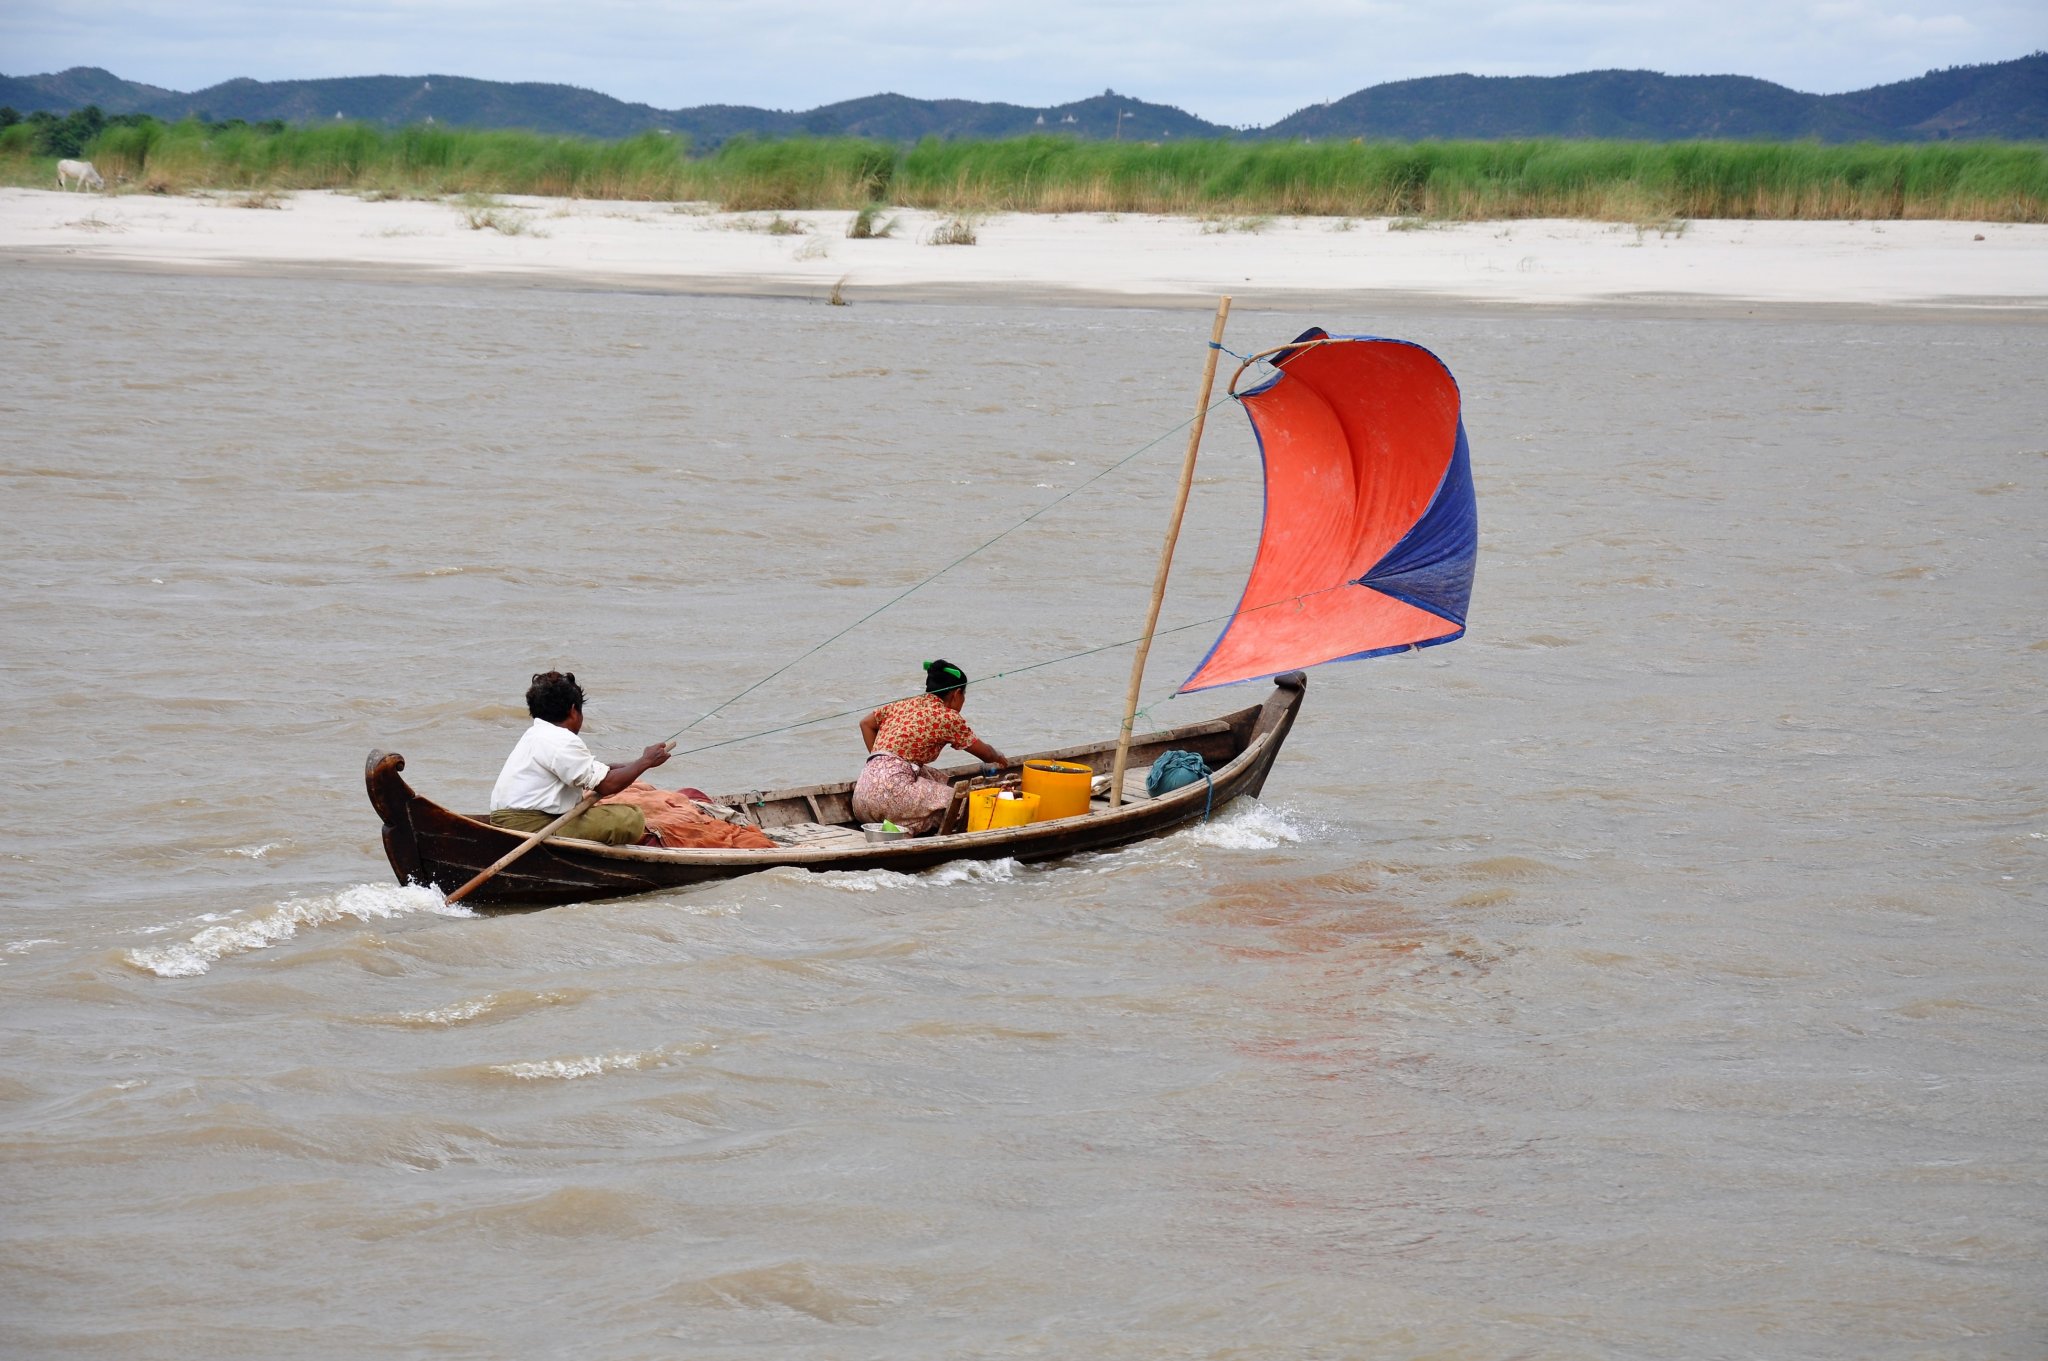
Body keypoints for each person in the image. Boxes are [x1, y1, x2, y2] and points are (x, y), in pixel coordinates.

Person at [489, 671, 672, 846]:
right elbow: (606, 786)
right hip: (531, 826)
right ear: (574, 711)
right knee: (630, 817)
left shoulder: (535, 734)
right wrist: (645, 762)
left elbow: (588, 771)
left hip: (503, 819)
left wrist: (636, 763)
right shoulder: (562, 740)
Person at [851, 659, 1009, 836]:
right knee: (965, 803)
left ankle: (900, 822)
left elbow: (866, 723)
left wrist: (882, 765)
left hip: (861, 799)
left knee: (931, 775)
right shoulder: (947, 717)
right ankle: (907, 827)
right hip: (891, 796)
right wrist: (998, 756)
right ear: (957, 694)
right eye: (964, 695)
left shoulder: (903, 704)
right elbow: (986, 754)